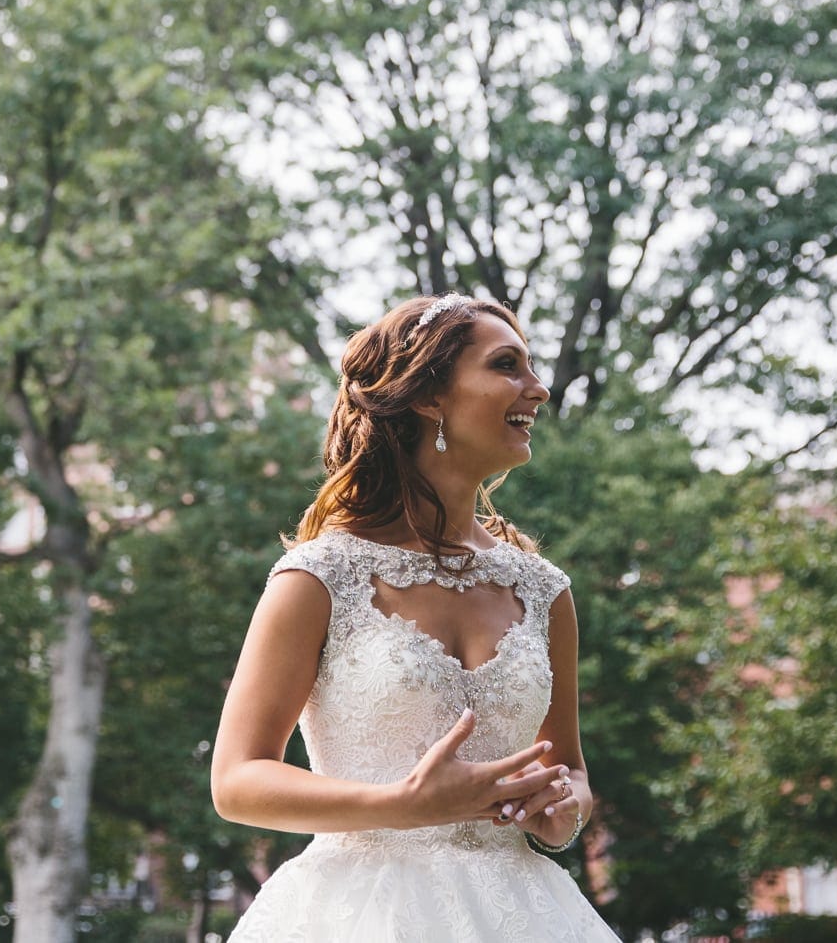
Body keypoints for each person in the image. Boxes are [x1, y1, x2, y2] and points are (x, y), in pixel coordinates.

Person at [212, 292, 620, 940]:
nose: (537, 389)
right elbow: (236, 780)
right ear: (429, 396)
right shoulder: (320, 576)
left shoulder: (545, 591)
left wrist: (565, 805)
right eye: (507, 365)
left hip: (524, 913)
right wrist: (400, 805)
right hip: (358, 913)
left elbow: (570, 767)